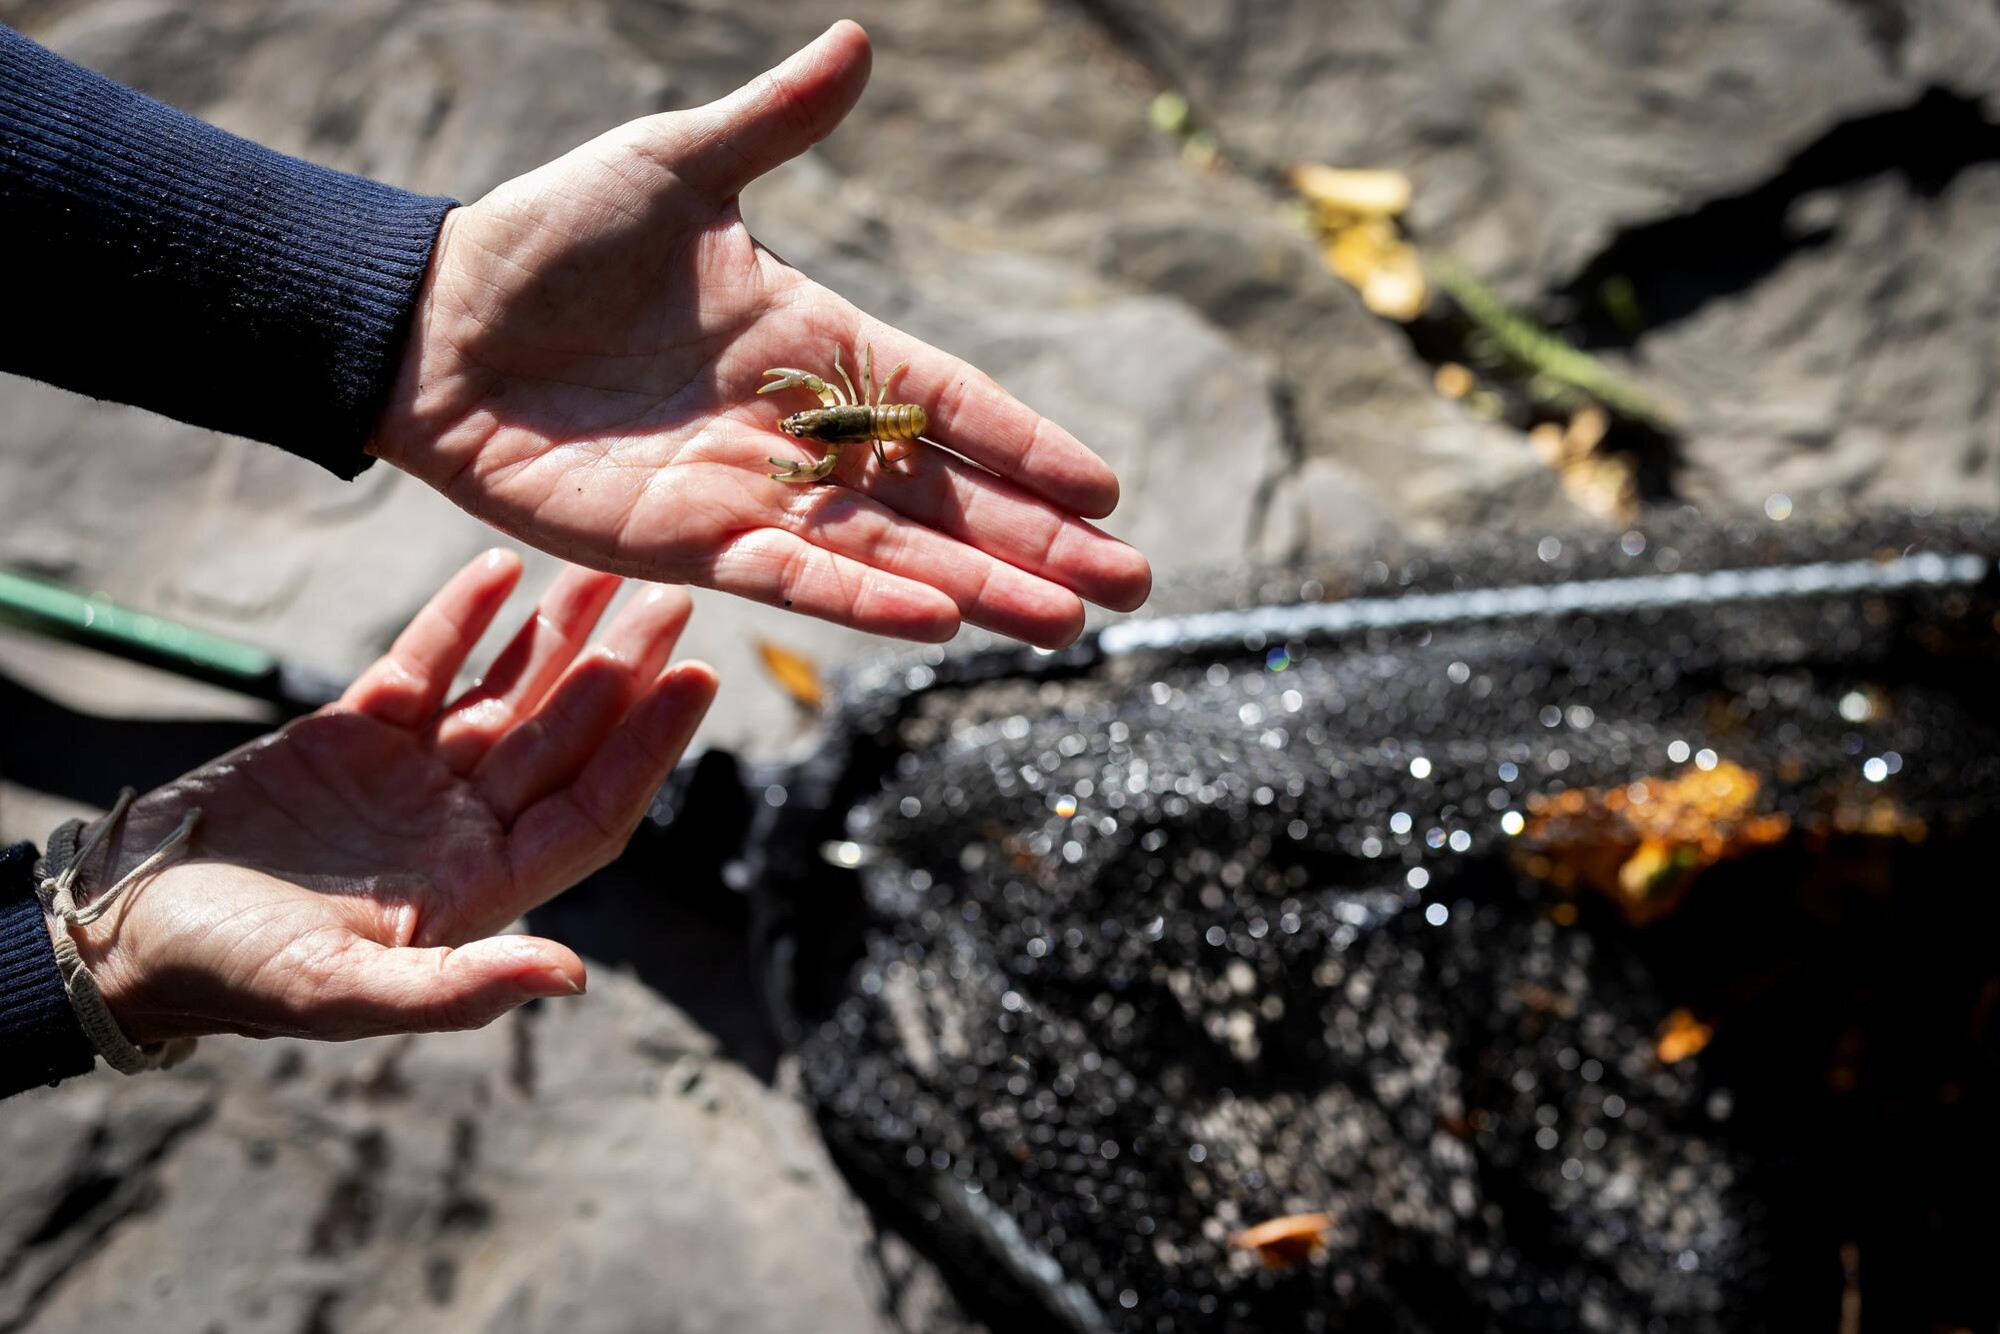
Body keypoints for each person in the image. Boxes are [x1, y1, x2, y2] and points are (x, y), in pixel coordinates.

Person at [0, 20, 1152, 1096]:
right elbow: (821, 442)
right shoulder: (832, 424)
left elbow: (828, 447)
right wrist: (66, 959)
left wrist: (391, 305)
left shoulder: (847, 430)